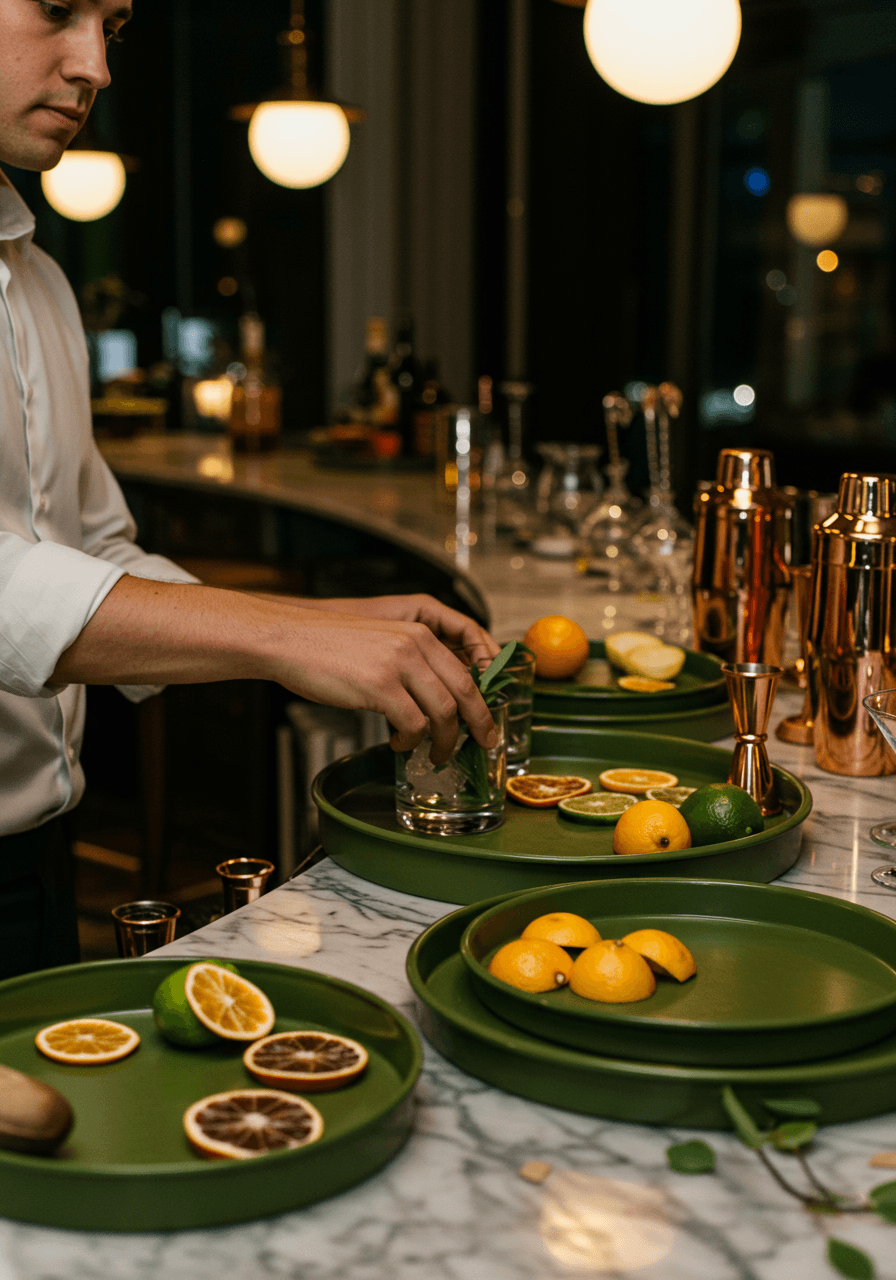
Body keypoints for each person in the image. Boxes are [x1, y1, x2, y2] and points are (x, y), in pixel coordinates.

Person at [0, 0, 499, 979]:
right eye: (58, 10)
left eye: (116, 25)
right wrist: (281, 638)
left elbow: (93, 546)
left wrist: (312, 617)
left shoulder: (42, 284)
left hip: (35, 862)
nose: (95, 65)